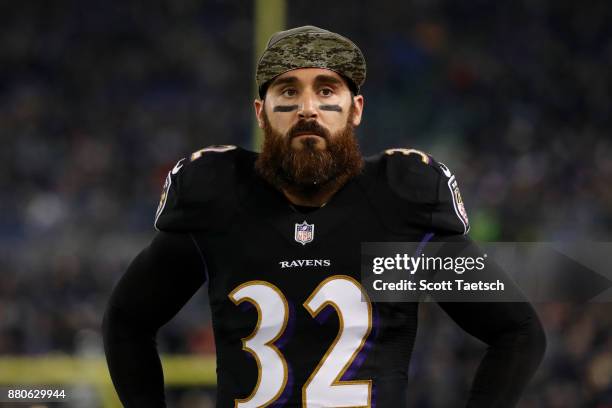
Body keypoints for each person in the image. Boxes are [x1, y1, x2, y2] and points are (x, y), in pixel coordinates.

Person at [103, 26, 546, 407]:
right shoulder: (219, 198)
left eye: (327, 90)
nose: (308, 108)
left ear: (356, 109)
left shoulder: (401, 202)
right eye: (288, 91)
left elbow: (518, 331)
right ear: (262, 113)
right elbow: (127, 320)